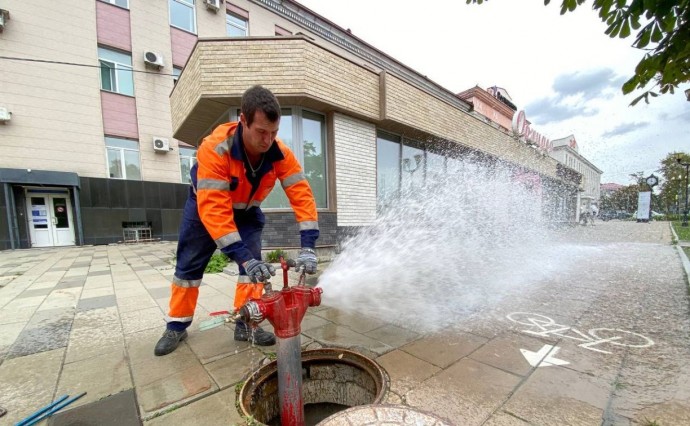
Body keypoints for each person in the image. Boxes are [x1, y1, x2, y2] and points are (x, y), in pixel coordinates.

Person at [154, 86, 319, 356]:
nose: (268, 141)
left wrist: (309, 245)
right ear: (243, 120)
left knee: (252, 271)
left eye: (274, 133)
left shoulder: (280, 154)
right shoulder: (215, 149)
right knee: (189, 266)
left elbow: (302, 196)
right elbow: (215, 211)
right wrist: (242, 255)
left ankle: (246, 322)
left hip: (247, 211)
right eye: (262, 132)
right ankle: (176, 325)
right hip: (203, 209)